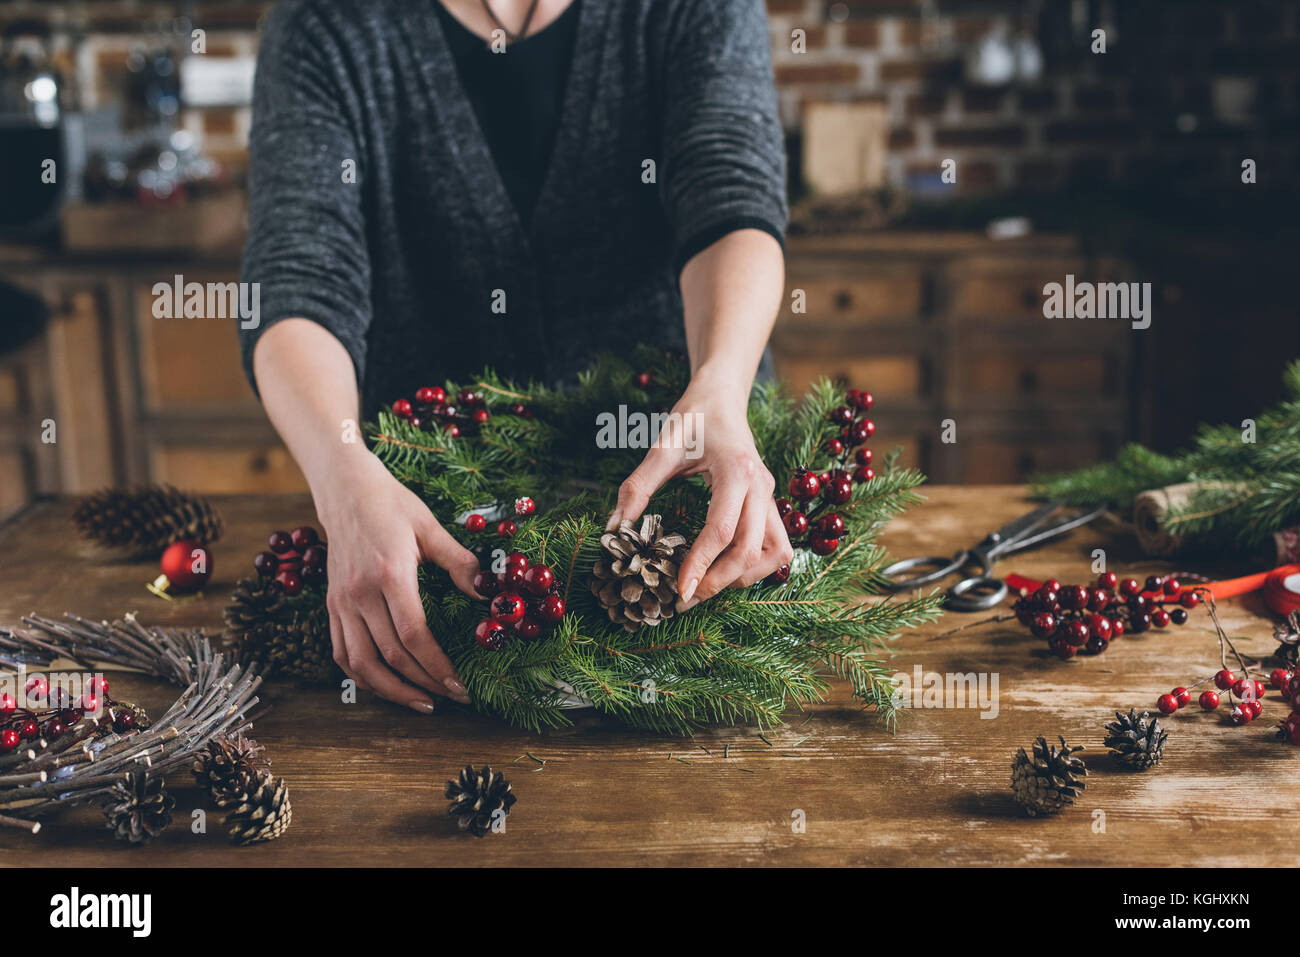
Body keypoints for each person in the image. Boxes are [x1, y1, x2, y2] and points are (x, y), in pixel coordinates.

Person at [240, 0, 793, 714]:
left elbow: (731, 193)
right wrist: (339, 468)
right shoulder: (322, 23)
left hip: (679, 513)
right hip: (438, 546)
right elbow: (297, 277)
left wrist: (718, 381)